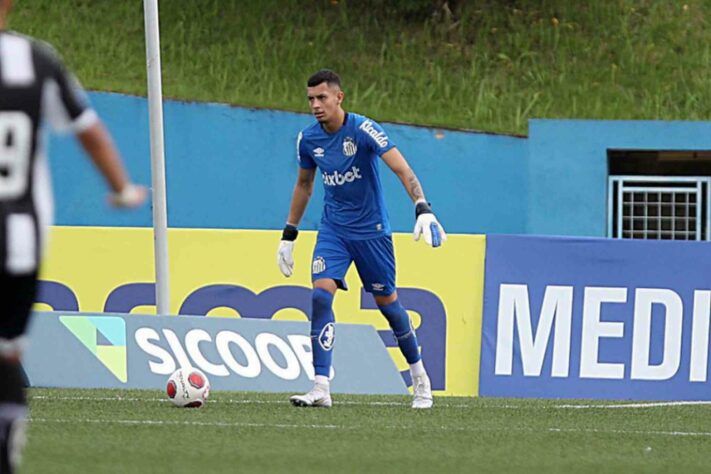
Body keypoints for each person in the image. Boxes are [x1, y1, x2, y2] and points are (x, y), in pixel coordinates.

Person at [0, 0, 146, 471]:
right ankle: (7, 439)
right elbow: (91, 132)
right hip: (19, 241)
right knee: (7, 351)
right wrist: (122, 189)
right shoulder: (37, 60)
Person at [277, 69, 446, 409]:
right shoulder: (308, 140)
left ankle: (419, 379)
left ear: (339, 97)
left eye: (322, 97)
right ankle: (321, 386)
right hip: (334, 231)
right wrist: (289, 233)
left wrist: (422, 206)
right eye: (310, 99)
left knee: (390, 308)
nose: (315, 105)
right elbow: (304, 185)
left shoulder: (365, 129)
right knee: (320, 296)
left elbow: (402, 168)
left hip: (372, 233)